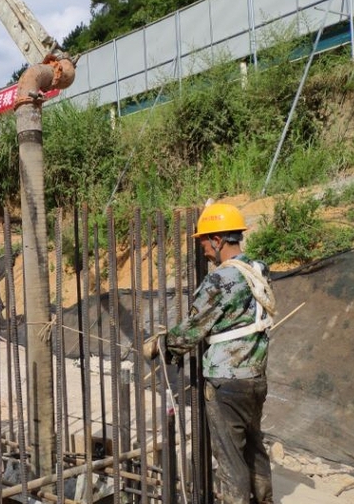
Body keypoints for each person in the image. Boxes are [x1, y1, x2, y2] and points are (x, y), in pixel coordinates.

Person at [144, 202, 274, 504]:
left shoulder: (220, 280)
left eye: (203, 242)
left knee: (230, 458)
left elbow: (192, 330)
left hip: (226, 382)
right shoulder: (258, 269)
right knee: (254, 447)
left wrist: (161, 345)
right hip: (255, 377)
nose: (202, 250)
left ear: (217, 240)